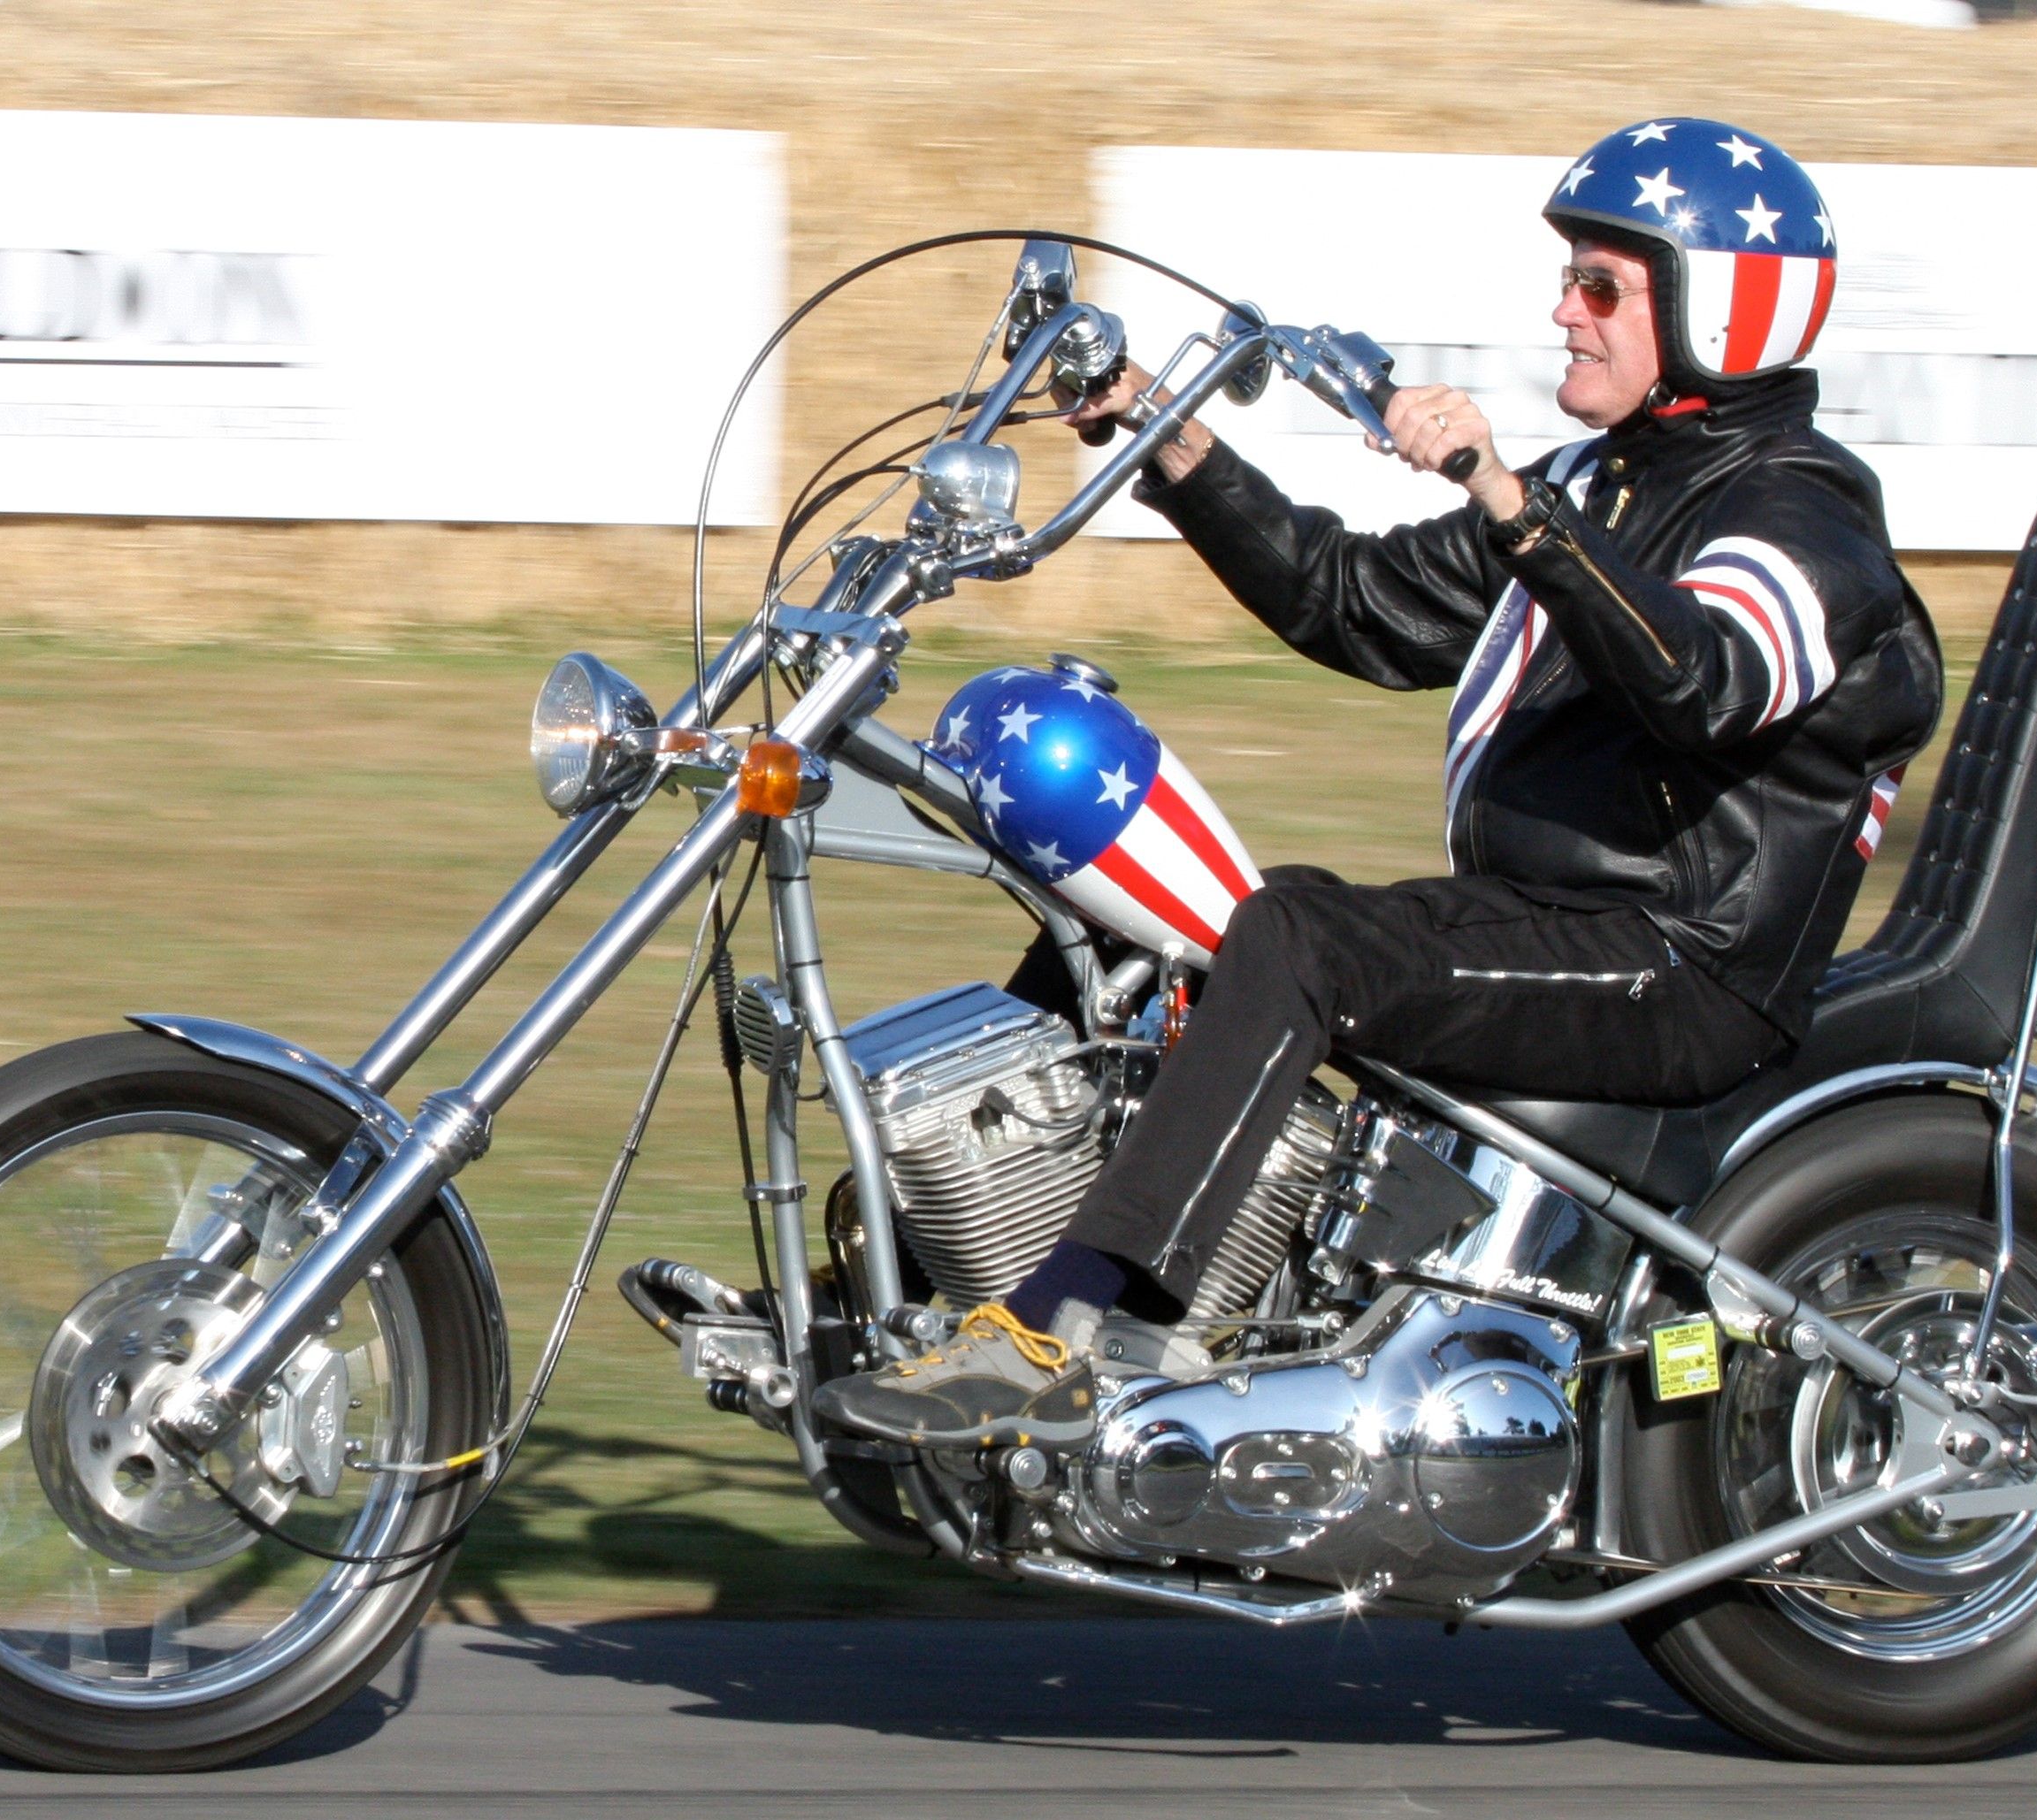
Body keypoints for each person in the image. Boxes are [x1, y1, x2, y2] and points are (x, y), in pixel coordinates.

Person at [816, 118, 1943, 1449]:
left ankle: (1073, 1326)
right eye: (1569, 279)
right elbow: (1350, 600)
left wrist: (1505, 497)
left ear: (1724, 310)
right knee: (1129, 940)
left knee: (1297, 932)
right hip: (1556, 923)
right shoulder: (1608, 487)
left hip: (1681, 967)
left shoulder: (1802, 515)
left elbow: (1701, 681)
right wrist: (1163, 443)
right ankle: (906, 1297)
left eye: (1601, 286)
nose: (1562, 312)